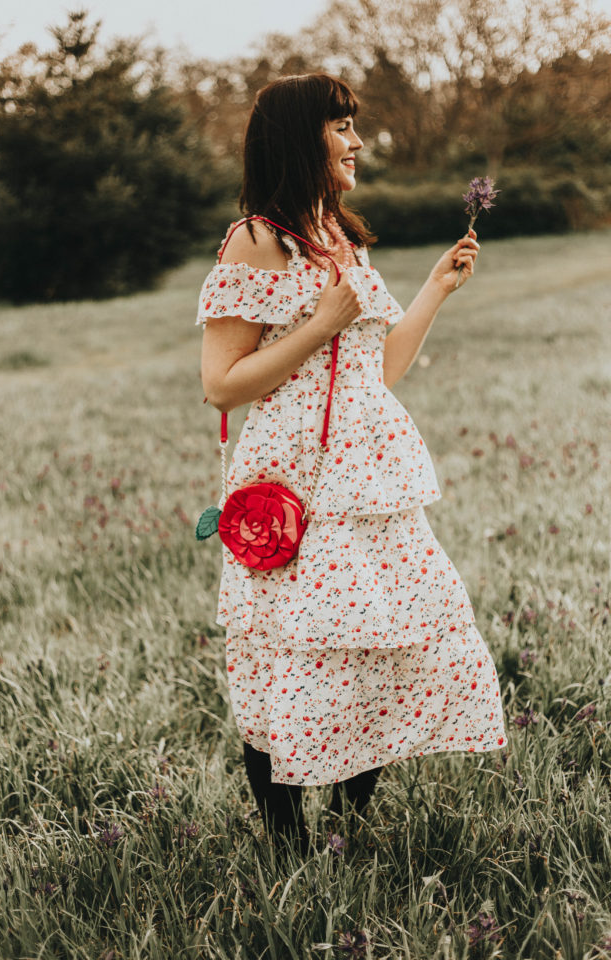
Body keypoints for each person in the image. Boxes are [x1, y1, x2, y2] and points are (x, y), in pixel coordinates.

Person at [195, 73, 507, 860]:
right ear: (302, 139)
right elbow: (220, 383)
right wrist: (318, 324)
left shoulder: (338, 234)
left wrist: (434, 287)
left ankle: (352, 821)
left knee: (376, 642)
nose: (357, 141)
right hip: (297, 478)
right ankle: (287, 839)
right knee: (295, 649)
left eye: (353, 126)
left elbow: (381, 366)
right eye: (340, 126)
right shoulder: (255, 238)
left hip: (369, 473)